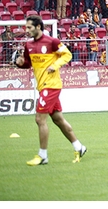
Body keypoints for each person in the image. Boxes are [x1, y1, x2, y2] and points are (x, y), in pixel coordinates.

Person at [15, 15, 87, 165]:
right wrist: (20, 64)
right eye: (26, 27)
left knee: (39, 119)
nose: (26, 30)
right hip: (42, 86)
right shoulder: (28, 45)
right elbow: (28, 63)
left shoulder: (52, 42)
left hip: (52, 85)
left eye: (29, 27)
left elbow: (67, 54)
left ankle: (43, 156)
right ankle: (79, 146)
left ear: (38, 27)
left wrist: (55, 65)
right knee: (58, 119)